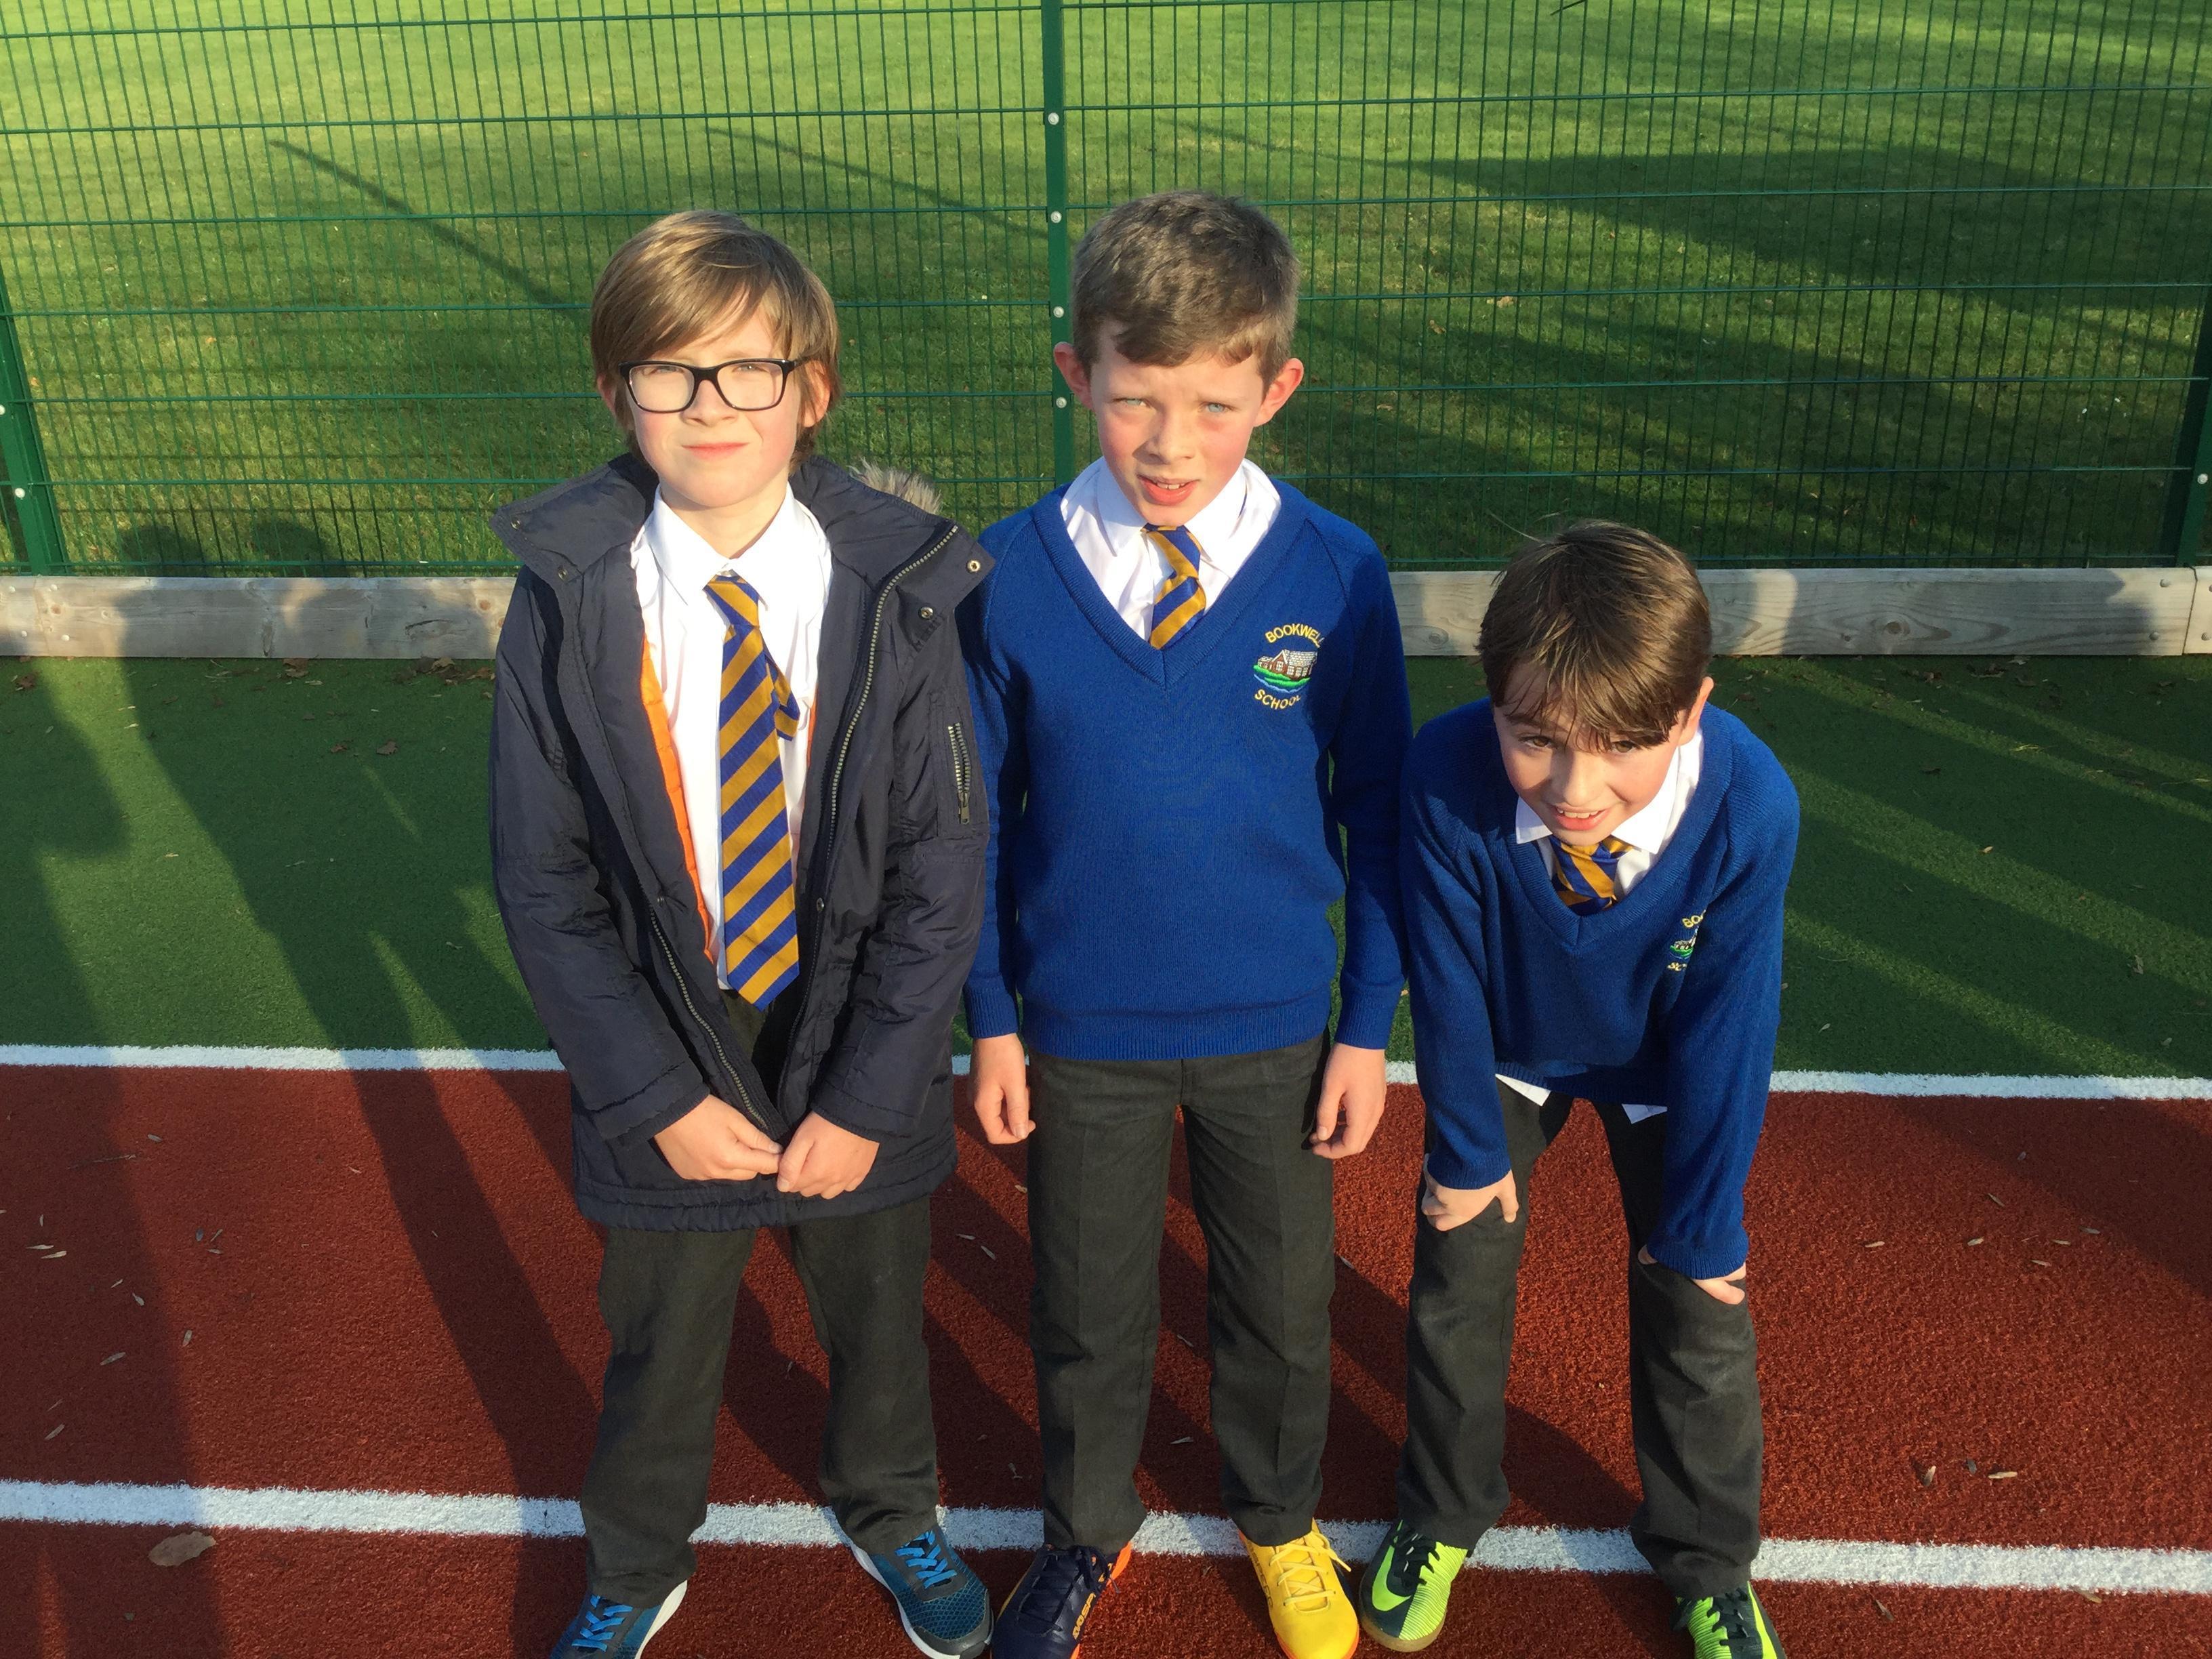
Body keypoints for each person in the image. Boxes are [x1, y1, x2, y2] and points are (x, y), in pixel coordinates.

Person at [488, 209, 995, 1659]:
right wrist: (652, 1094)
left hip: (854, 1033)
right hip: (670, 1035)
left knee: (878, 1321)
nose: (710, 406)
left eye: (750, 371)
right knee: (659, 1338)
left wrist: (870, 1096)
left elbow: (939, 866)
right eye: (669, 372)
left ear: (812, 391)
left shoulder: (898, 590)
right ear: (615, 393)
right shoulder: (566, 597)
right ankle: (637, 1560)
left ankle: (892, 1507)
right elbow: (543, 877)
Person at [960, 190, 1412, 1659]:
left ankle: (1279, 1522)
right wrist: (993, 1016)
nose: (1170, 443)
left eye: (1214, 405)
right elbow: (973, 824)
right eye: (1135, 398)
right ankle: (1085, 1531)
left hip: (1274, 1029)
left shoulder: (1336, 572)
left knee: (1278, 1307)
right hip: (1078, 1030)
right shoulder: (1006, 579)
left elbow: (1380, 816)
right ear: (1074, 372)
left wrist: (1366, 1027)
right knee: (1088, 1310)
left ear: (1277, 389)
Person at [1357, 523, 1797, 1658]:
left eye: (1622, 747)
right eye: (1535, 740)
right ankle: (1441, 1511)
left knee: (1698, 1297)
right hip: (1510, 1046)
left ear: (1691, 712)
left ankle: (1710, 1561)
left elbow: (1732, 1024)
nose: (1575, 788)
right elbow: (1446, 980)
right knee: (1459, 1267)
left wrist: (1704, 1222)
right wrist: (1466, 1153)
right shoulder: (1446, 772)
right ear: (1491, 700)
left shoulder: (1752, 804)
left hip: (1666, 1061)